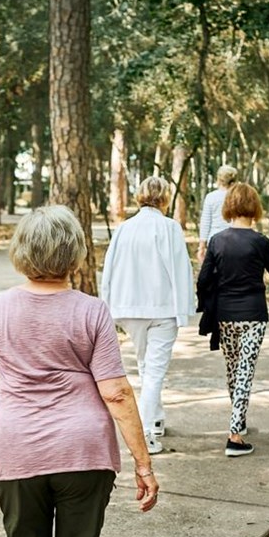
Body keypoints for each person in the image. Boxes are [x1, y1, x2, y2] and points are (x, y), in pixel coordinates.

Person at [0, 205, 160, 537]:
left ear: (22, 251)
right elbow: (118, 393)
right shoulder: (91, 311)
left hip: (19, 448)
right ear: (75, 253)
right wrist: (143, 462)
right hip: (84, 453)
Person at [100, 176, 195, 454]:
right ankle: (144, 435)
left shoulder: (124, 228)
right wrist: (184, 310)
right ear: (165, 197)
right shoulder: (169, 228)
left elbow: (110, 269)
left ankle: (155, 420)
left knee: (146, 366)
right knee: (153, 371)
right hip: (162, 308)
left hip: (128, 308)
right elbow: (180, 269)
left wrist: (108, 305)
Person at [196, 183, 269, 458]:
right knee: (244, 372)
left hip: (225, 316)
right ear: (254, 208)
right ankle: (234, 437)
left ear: (229, 208)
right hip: (253, 315)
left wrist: (207, 299)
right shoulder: (260, 242)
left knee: (234, 369)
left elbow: (203, 279)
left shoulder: (217, 241)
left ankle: (240, 419)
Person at [197, 164, 239, 263]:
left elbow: (205, 222)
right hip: (235, 240)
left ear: (219, 179)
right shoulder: (237, 197)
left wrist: (201, 247)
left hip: (215, 241)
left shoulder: (211, 197)